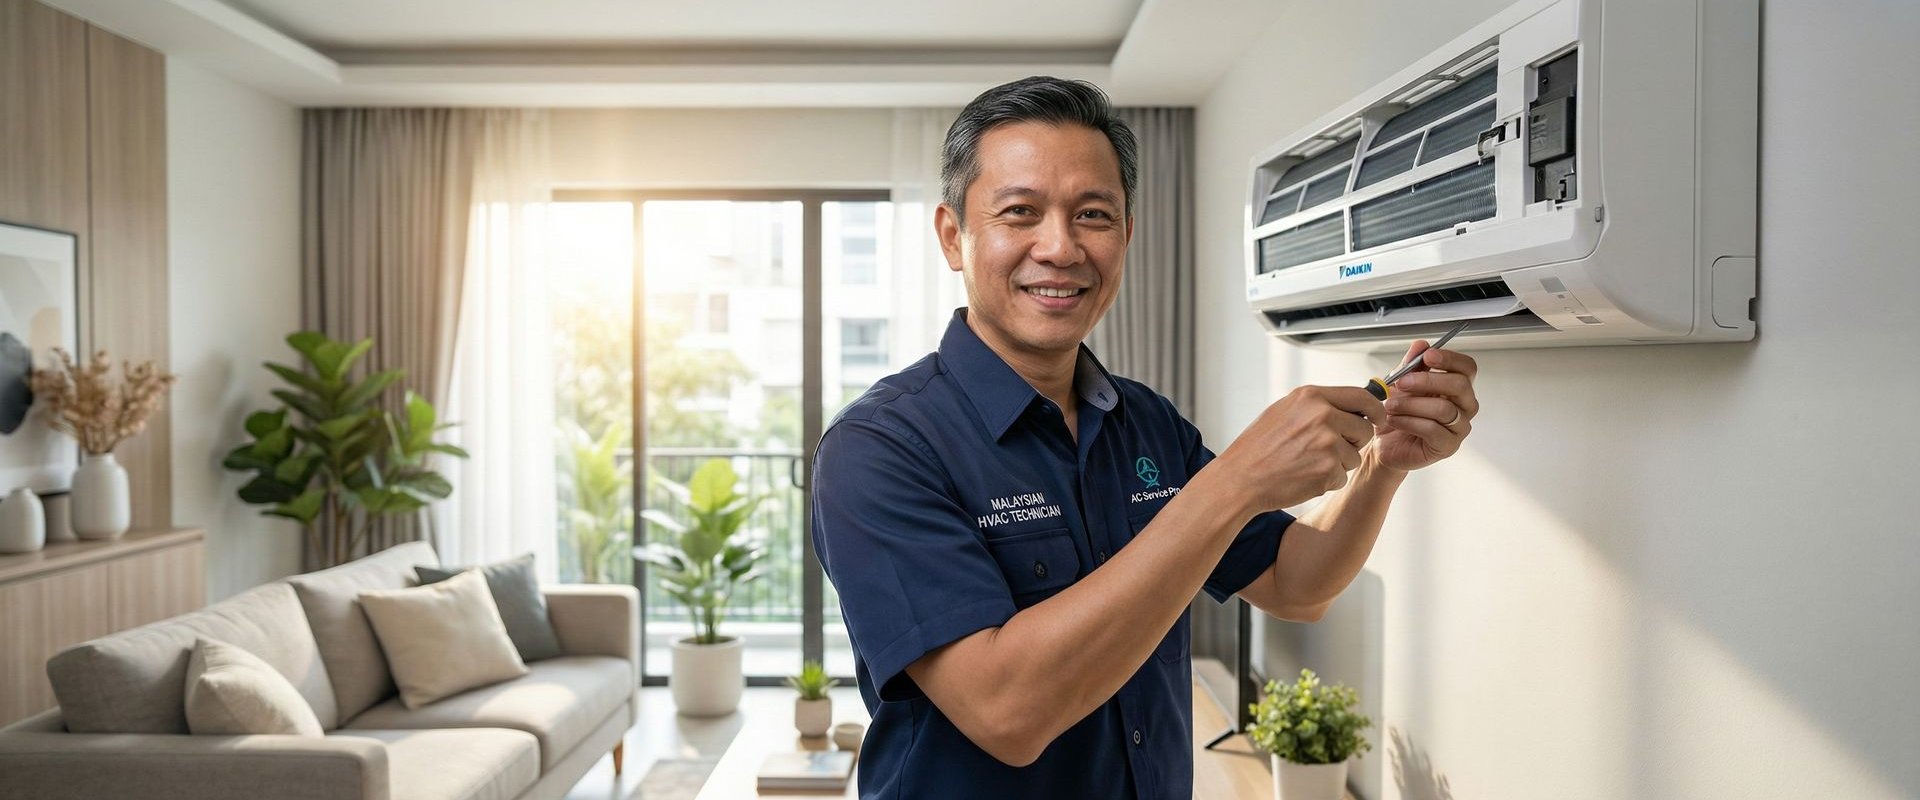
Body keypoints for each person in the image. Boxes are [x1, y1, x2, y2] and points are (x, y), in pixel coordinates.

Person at [810, 76, 1481, 799]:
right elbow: (1007, 710)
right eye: (1020, 213)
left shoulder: (1146, 421)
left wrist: (1383, 465)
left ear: (1125, 235)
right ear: (954, 236)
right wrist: (1235, 483)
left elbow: (1296, 583)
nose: (1060, 247)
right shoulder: (879, 448)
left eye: (1093, 214)